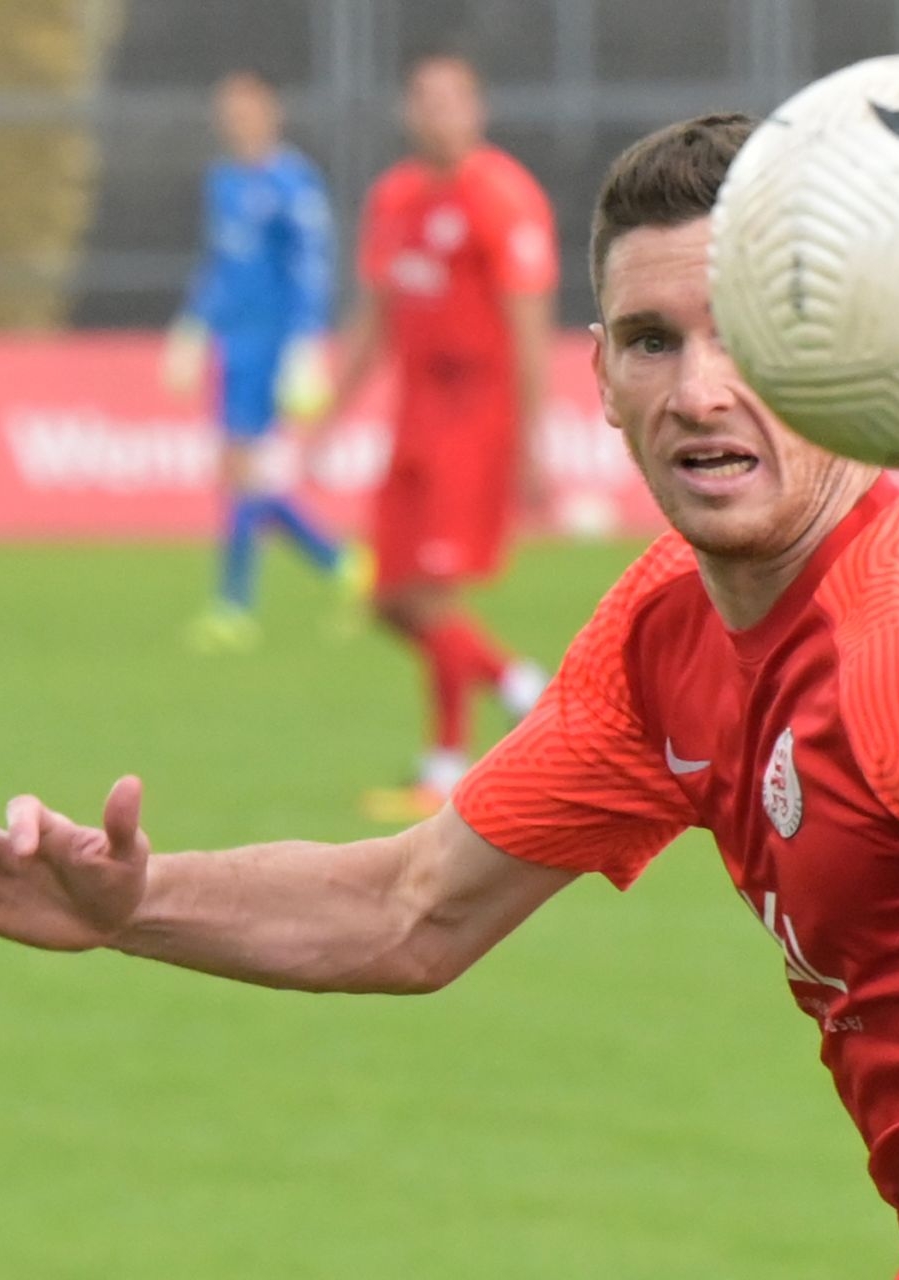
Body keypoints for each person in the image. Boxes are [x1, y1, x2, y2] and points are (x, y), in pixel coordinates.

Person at [0, 114, 899, 1278]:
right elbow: (410, 910)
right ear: (597, 375)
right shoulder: (667, 629)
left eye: (752, 337)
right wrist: (133, 907)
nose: (700, 390)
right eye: (655, 341)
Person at [310, 54, 552, 814]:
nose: (439, 113)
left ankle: (448, 765)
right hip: (413, 417)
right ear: (407, 112)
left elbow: (529, 327)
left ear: (477, 109)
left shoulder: (503, 196)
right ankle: (521, 692)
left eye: (453, 99)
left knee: (431, 595)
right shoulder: (395, 198)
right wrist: (328, 418)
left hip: (474, 413)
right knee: (389, 596)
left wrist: (532, 442)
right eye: (425, 99)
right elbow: (374, 319)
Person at [165, 70, 368, 654]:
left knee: (242, 472)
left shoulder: (292, 182)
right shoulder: (224, 181)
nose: (236, 123)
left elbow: (311, 266)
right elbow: (219, 264)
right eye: (228, 113)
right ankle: (345, 565)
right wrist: (193, 326)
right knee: (244, 475)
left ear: (270, 114)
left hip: (274, 346)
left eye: (246, 112)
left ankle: (235, 606)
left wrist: (304, 344)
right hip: (234, 344)